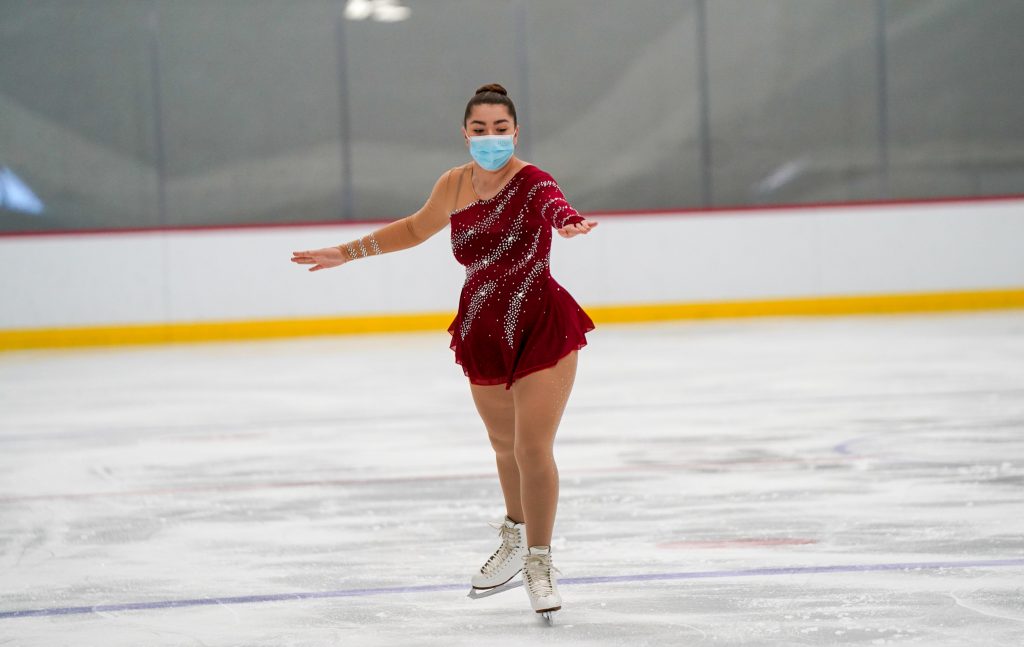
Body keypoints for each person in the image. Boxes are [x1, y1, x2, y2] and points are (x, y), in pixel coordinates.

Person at [290, 83, 597, 621]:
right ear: (465, 133)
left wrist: (567, 222)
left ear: (516, 132)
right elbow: (414, 229)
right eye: (480, 129)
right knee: (503, 446)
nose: (490, 138)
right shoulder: (454, 184)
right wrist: (346, 252)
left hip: (540, 327)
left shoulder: (534, 182)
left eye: (500, 128)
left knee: (531, 448)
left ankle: (539, 561)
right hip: (482, 330)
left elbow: (556, 207)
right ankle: (514, 535)